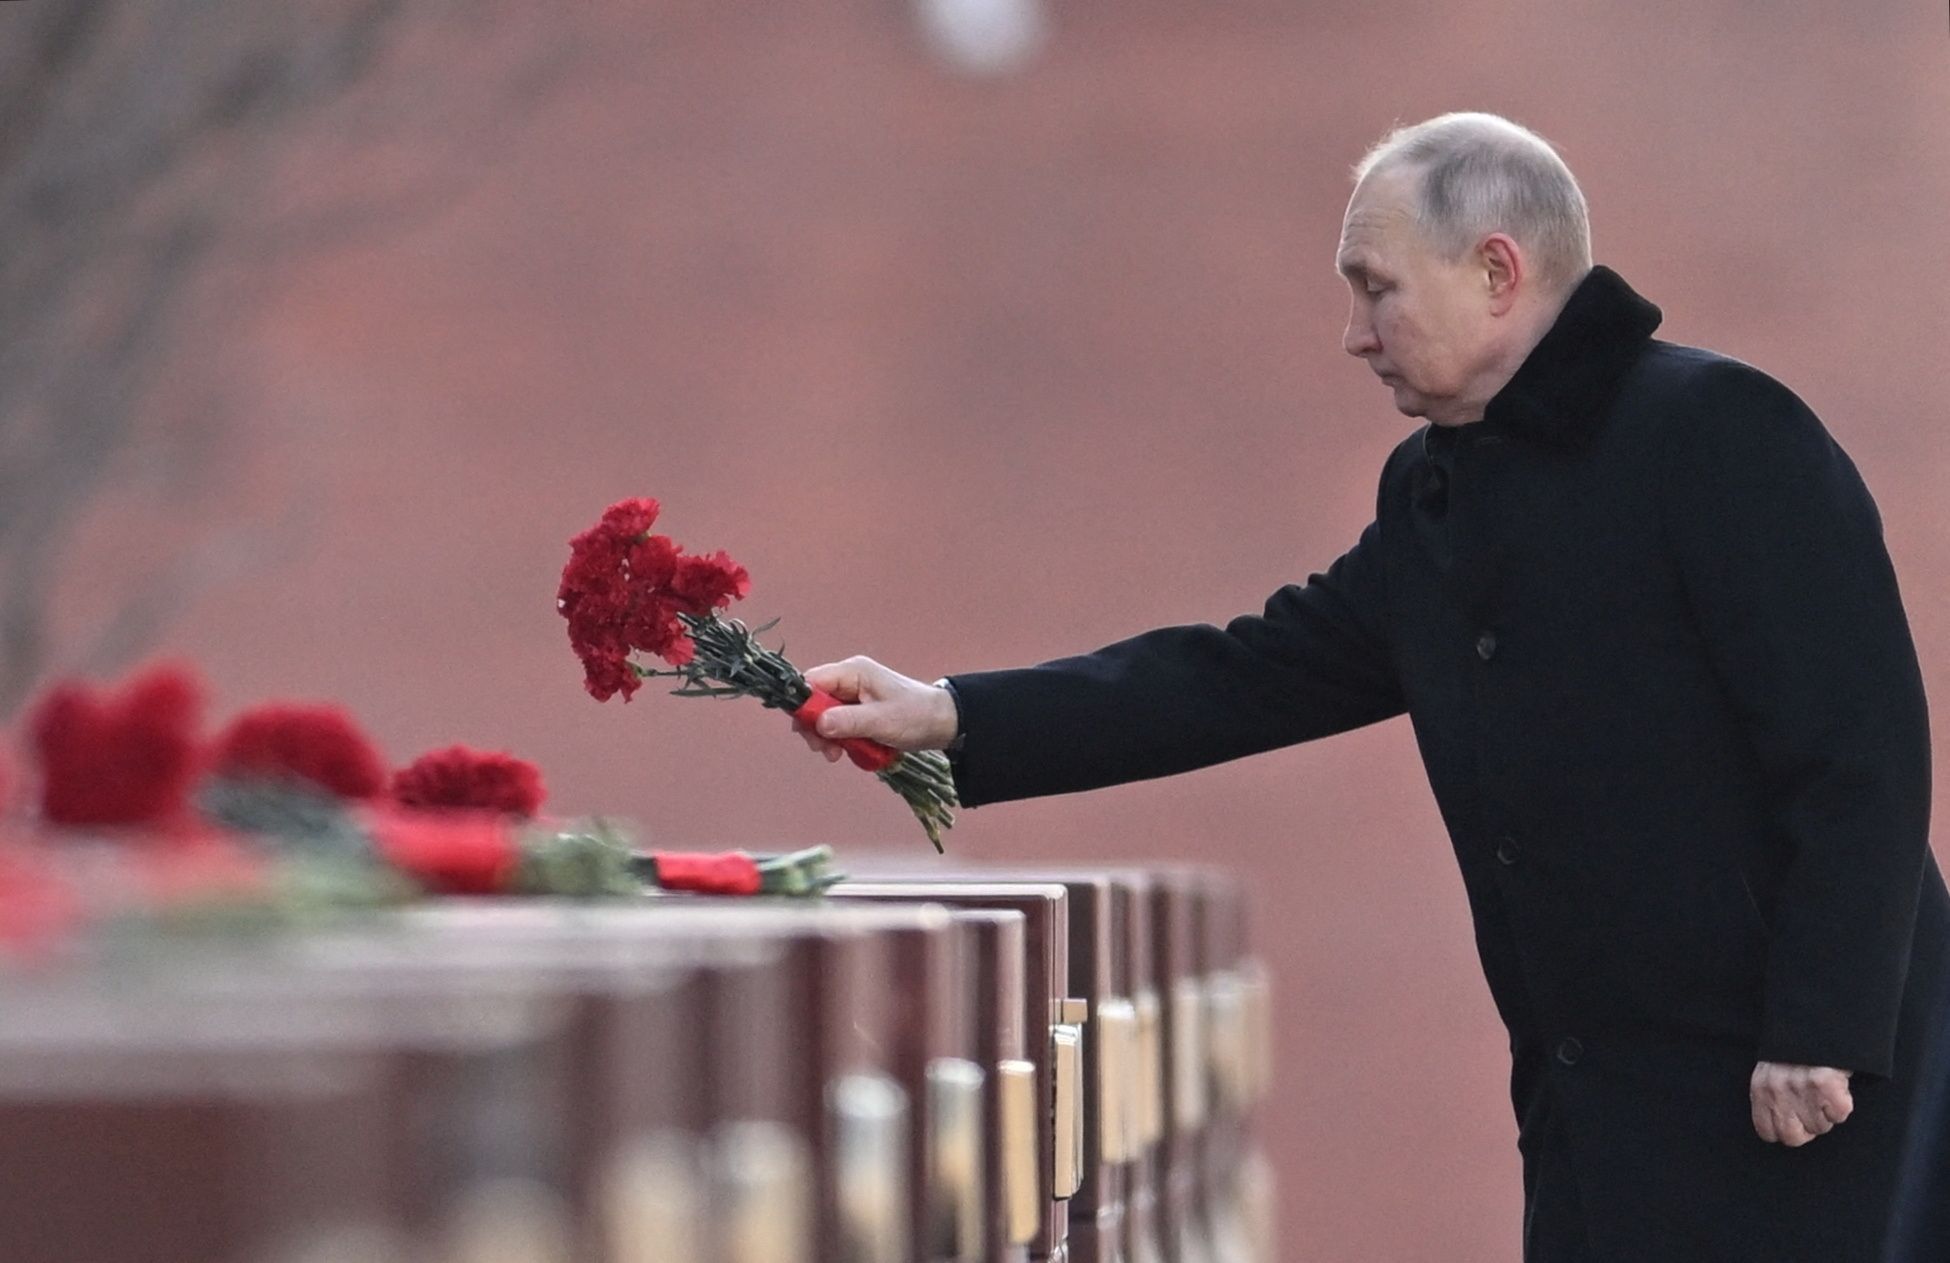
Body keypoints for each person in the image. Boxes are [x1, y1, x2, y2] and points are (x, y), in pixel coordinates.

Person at [796, 112, 1950, 1261]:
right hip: (1593, 1108)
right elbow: (1245, 674)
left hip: (1795, 1093)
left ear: (1497, 271)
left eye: (1376, 288)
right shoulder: (1436, 493)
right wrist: (953, 713)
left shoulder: (1718, 431)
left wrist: (1820, 1031)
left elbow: (1862, 752)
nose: (1354, 334)